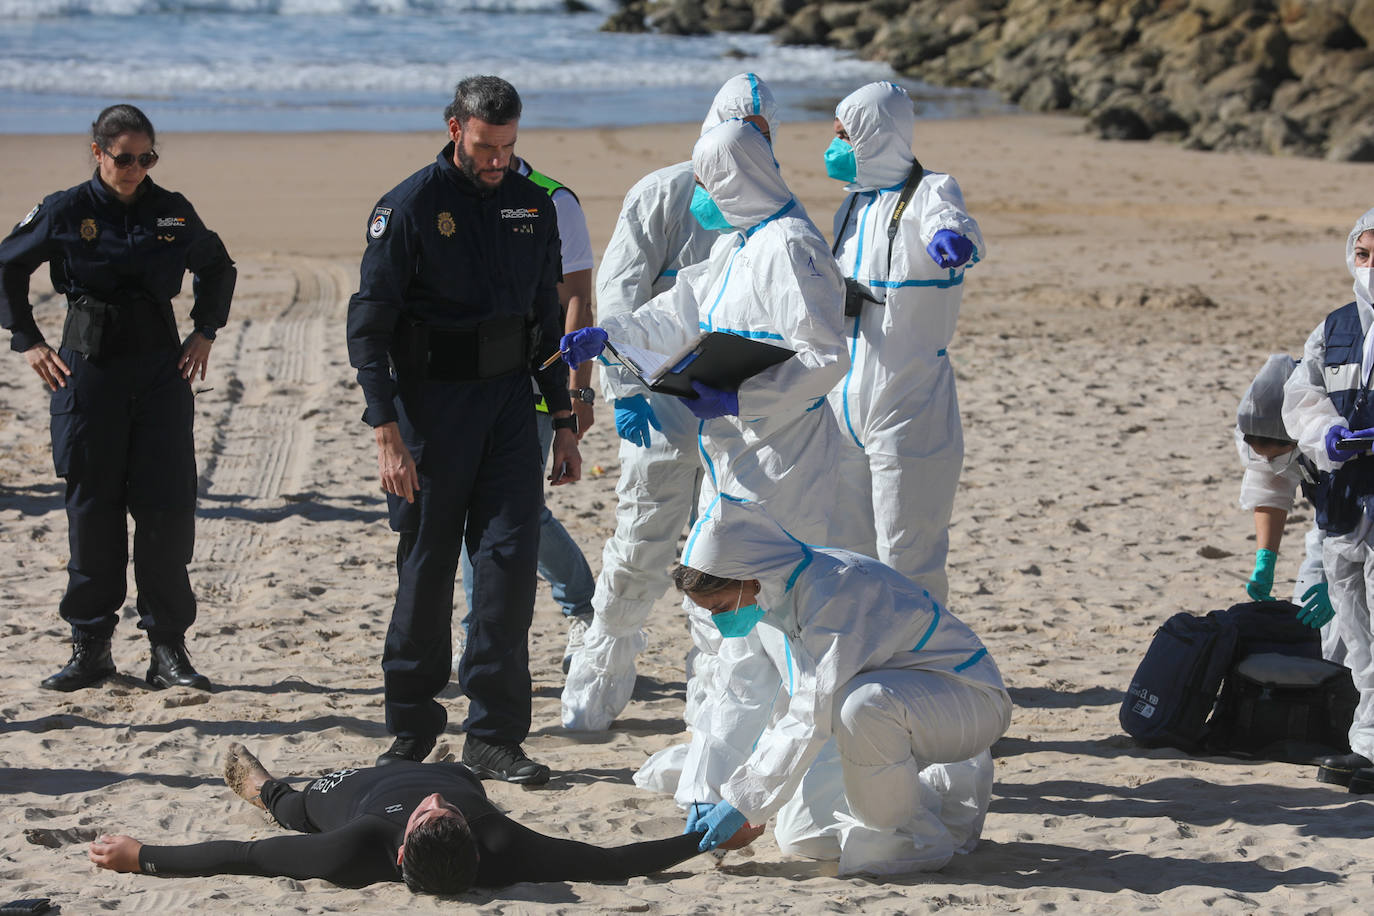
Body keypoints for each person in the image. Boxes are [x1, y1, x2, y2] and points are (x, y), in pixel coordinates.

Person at [560, 117, 866, 807]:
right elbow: (682, 310)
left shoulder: (792, 248)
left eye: (706, 181)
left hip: (785, 463)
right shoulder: (741, 242)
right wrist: (615, 338)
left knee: (764, 617)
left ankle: (764, 773)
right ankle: (724, 755)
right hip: (733, 455)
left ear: (734, 179)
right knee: (718, 615)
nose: (697, 193)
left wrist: (744, 393)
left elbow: (825, 356)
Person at [345, 76, 581, 782]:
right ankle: (413, 728)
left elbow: (544, 321)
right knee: (426, 573)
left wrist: (563, 420)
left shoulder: (533, 206)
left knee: (507, 571)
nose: (498, 160)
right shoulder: (409, 207)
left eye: (509, 147)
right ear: (455, 129)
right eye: (485, 147)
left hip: (511, 409)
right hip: (430, 414)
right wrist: (385, 432)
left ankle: (494, 737)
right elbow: (368, 327)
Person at [561, 73, 779, 732]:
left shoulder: (768, 205)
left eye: (763, 138)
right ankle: (597, 682)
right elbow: (624, 297)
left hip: (730, 406)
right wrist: (625, 389)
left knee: (718, 555)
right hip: (657, 400)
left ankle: (713, 699)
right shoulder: (662, 194)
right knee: (640, 547)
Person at [0, 103, 234, 693]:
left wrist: (205, 330)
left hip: (160, 371)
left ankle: (168, 651)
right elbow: (5, 267)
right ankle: (91, 650)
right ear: (98, 154)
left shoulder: (172, 211)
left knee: (165, 513)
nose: (134, 168)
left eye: (145, 158)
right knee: (93, 511)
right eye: (123, 158)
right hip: (88, 371)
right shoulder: (64, 209)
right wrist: (27, 341)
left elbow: (217, 266)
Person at [668, 496, 1011, 875]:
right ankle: (909, 801)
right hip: (874, 710)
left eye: (717, 607)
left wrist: (740, 803)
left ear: (750, 577)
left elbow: (810, 710)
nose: (717, 620)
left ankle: (912, 836)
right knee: (804, 837)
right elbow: (737, 697)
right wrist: (707, 793)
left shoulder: (835, 588)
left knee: (862, 705)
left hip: (964, 700)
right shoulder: (763, 598)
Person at [87, 742, 757, 893]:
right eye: (446, 816)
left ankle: (263, 785)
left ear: (401, 849)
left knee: (292, 813)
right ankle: (440, 763)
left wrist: (141, 854)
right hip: (449, 770)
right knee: (457, 774)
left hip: (360, 793)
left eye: (432, 816)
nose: (434, 811)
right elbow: (613, 863)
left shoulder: (356, 848)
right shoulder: (498, 840)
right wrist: (710, 835)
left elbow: (245, 856)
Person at [823, 81, 985, 606]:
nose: (835, 147)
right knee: (849, 548)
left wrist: (952, 240)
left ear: (872, 135)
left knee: (907, 550)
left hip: (907, 401)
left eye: (844, 136)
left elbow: (951, 221)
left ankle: (924, 665)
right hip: (842, 401)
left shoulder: (931, 191)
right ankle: (870, 651)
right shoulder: (849, 208)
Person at [458, 153, 597, 672]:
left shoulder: (554, 200)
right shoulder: (452, 194)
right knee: (483, 510)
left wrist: (579, 392)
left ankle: (584, 609)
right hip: (469, 390)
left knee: (518, 512)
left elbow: (578, 300)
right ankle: (480, 634)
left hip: (538, 387)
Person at [1282, 206, 1374, 791]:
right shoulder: (1336, 328)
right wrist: (1326, 436)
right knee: (1358, 630)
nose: (1369, 266)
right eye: (1363, 254)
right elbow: (1300, 395)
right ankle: (1367, 746)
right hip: (1344, 504)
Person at [1233, 354, 1336, 658]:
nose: (1269, 464)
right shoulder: (1264, 431)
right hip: (1331, 523)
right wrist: (1265, 561)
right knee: (1309, 626)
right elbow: (1269, 489)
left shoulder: (1332, 428)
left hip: (1364, 521)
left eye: (1276, 455)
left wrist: (1341, 583)